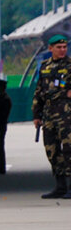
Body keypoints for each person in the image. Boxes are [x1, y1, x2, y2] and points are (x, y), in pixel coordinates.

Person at [31, 33, 71, 198]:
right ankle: (60, 186)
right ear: (50, 49)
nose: (62, 50)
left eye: (64, 47)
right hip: (49, 114)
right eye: (59, 47)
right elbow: (39, 91)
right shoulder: (45, 66)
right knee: (52, 150)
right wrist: (36, 114)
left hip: (67, 114)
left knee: (69, 149)